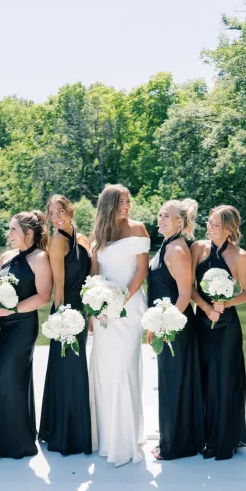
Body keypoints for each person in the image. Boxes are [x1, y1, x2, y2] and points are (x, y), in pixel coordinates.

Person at [89, 184, 150, 467]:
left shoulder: (137, 229)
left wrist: (118, 300)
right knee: (105, 370)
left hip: (129, 307)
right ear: (108, 205)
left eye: (128, 201)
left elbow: (142, 271)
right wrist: (94, 308)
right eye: (121, 202)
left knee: (125, 368)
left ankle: (125, 441)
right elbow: (95, 274)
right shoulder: (98, 234)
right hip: (102, 311)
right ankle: (105, 437)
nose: (126, 206)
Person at [0, 211, 52, 459]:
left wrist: (12, 309)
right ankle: (18, 433)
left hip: (22, 326)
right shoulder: (6, 256)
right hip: (1, 327)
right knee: (8, 376)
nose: (9, 233)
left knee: (10, 378)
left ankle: (12, 443)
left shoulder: (40, 258)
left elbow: (43, 296)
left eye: (13, 229)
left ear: (29, 233)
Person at [191, 205, 246, 460]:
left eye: (217, 224)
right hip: (201, 321)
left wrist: (225, 303)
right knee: (202, 376)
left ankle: (225, 436)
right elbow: (189, 287)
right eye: (209, 222)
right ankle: (201, 434)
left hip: (226, 325)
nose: (210, 227)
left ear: (229, 229)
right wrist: (206, 308)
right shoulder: (197, 248)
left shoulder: (240, 256)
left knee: (224, 378)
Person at [147, 199, 203, 460]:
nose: (160, 220)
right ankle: (172, 439)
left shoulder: (177, 249)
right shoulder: (167, 244)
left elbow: (184, 295)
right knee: (170, 382)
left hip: (176, 328)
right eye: (159, 215)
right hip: (167, 323)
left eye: (166, 216)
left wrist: (164, 326)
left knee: (174, 383)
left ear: (179, 222)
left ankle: (176, 445)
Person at [39, 195, 92, 455]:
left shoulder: (82, 239)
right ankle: (64, 434)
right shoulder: (56, 241)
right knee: (67, 370)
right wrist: (61, 319)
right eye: (51, 214)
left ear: (70, 211)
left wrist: (91, 313)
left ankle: (77, 430)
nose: (56, 217)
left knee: (77, 370)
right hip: (66, 311)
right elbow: (58, 286)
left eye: (60, 211)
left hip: (82, 309)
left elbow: (90, 277)